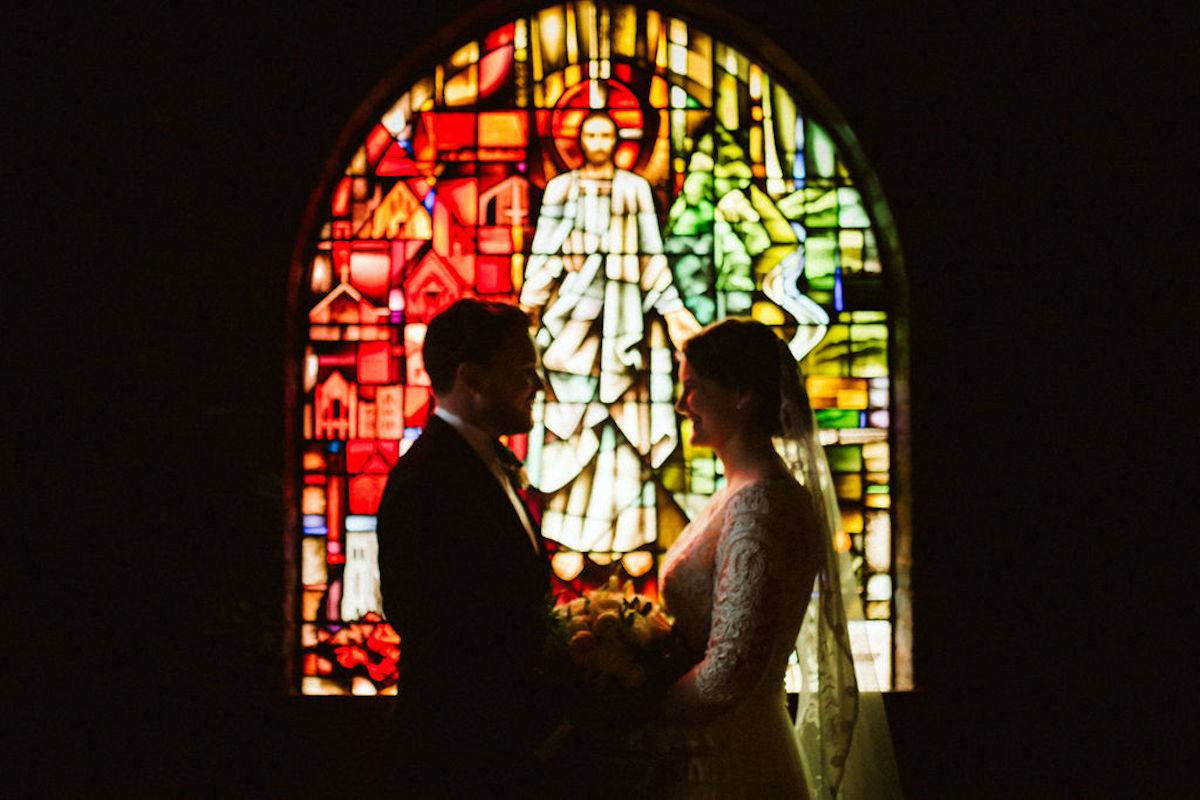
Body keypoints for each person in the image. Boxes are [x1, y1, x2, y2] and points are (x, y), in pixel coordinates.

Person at [616, 318, 903, 798]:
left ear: (743, 396)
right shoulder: (738, 491)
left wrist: (640, 709)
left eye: (694, 388)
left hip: (728, 758)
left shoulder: (760, 505)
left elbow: (730, 669)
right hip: (714, 744)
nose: (682, 404)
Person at [374, 298, 561, 798]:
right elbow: (423, 618)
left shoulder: (488, 466)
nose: (538, 387)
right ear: (472, 379)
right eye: (524, 372)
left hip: (500, 751)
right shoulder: (426, 480)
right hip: (454, 758)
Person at [519, 109, 701, 556]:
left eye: (606, 132)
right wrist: (528, 305)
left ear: (618, 140)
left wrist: (674, 312)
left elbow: (651, 257)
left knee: (625, 430)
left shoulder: (634, 189)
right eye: (590, 132)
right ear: (577, 140)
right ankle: (566, 538)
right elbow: (544, 248)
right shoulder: (562, 189)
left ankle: (629, 538)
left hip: (624, 328)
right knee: (572, 428)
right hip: (571, 328)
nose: (598, 140)